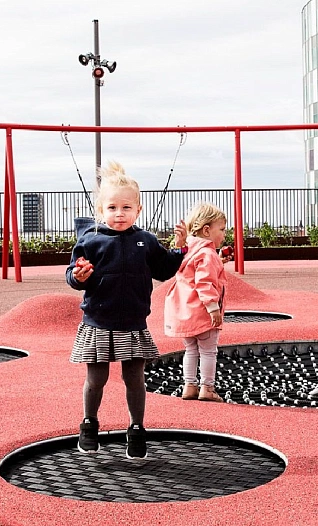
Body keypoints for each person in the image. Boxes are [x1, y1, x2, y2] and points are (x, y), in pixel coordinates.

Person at [66, 161, 188, 459]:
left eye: (126, 207)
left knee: (135, 379)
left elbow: (164, 269)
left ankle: (136, 429)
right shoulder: (90, 241)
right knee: (97, 379)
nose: (119, 214)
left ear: (139, 210)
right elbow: (74, 275)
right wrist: (78, 276)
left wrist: (181, 248)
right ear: (100, 210)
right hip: (98, 323)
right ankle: (89, 424)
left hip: (133, 325)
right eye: (112, 208)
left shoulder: (144, 241)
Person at [164, 202, 228, 403]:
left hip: (185, 312)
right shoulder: (207, 254)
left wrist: (218, 261)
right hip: (202, 313)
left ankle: (189, 385)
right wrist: (213, 308)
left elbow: (192, 274)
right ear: (207, 230)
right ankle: (207, 388)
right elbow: (204, 282)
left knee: (190, 350)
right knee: (209, 351)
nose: (225, 235)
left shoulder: (188, 250)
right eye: (222, 229)